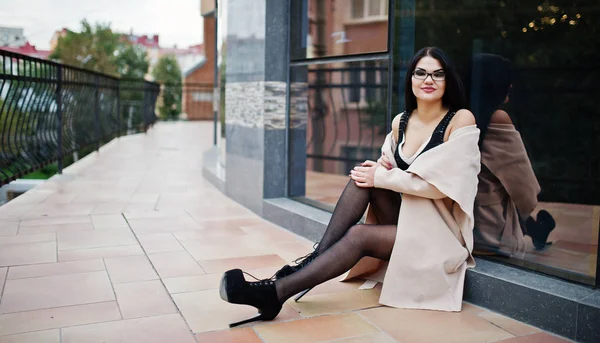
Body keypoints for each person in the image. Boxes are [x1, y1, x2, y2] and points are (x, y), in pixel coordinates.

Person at [219, 47, 481, 327]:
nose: (428, 79)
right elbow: (389, 167)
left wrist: (382, 176)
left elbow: (441, 185)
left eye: (438, 74)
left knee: (359, 233)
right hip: (408, 220)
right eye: (421, 72)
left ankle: (277, 290)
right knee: (362, 180)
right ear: (411, 79)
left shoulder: (460, 120)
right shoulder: (401, 122)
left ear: (447, 80)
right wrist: (381, 170)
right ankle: (309, 264)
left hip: (438, 235)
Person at [470, 53, 556, 258]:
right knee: (510, 191)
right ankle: (538, 231)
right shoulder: (497, 118)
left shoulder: (456, 114)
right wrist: (527, 209)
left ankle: (537, 231)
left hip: (459, 226)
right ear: (497, 85)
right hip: (489, 234)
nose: (511, 86)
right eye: (508, 81)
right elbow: (524, 187)